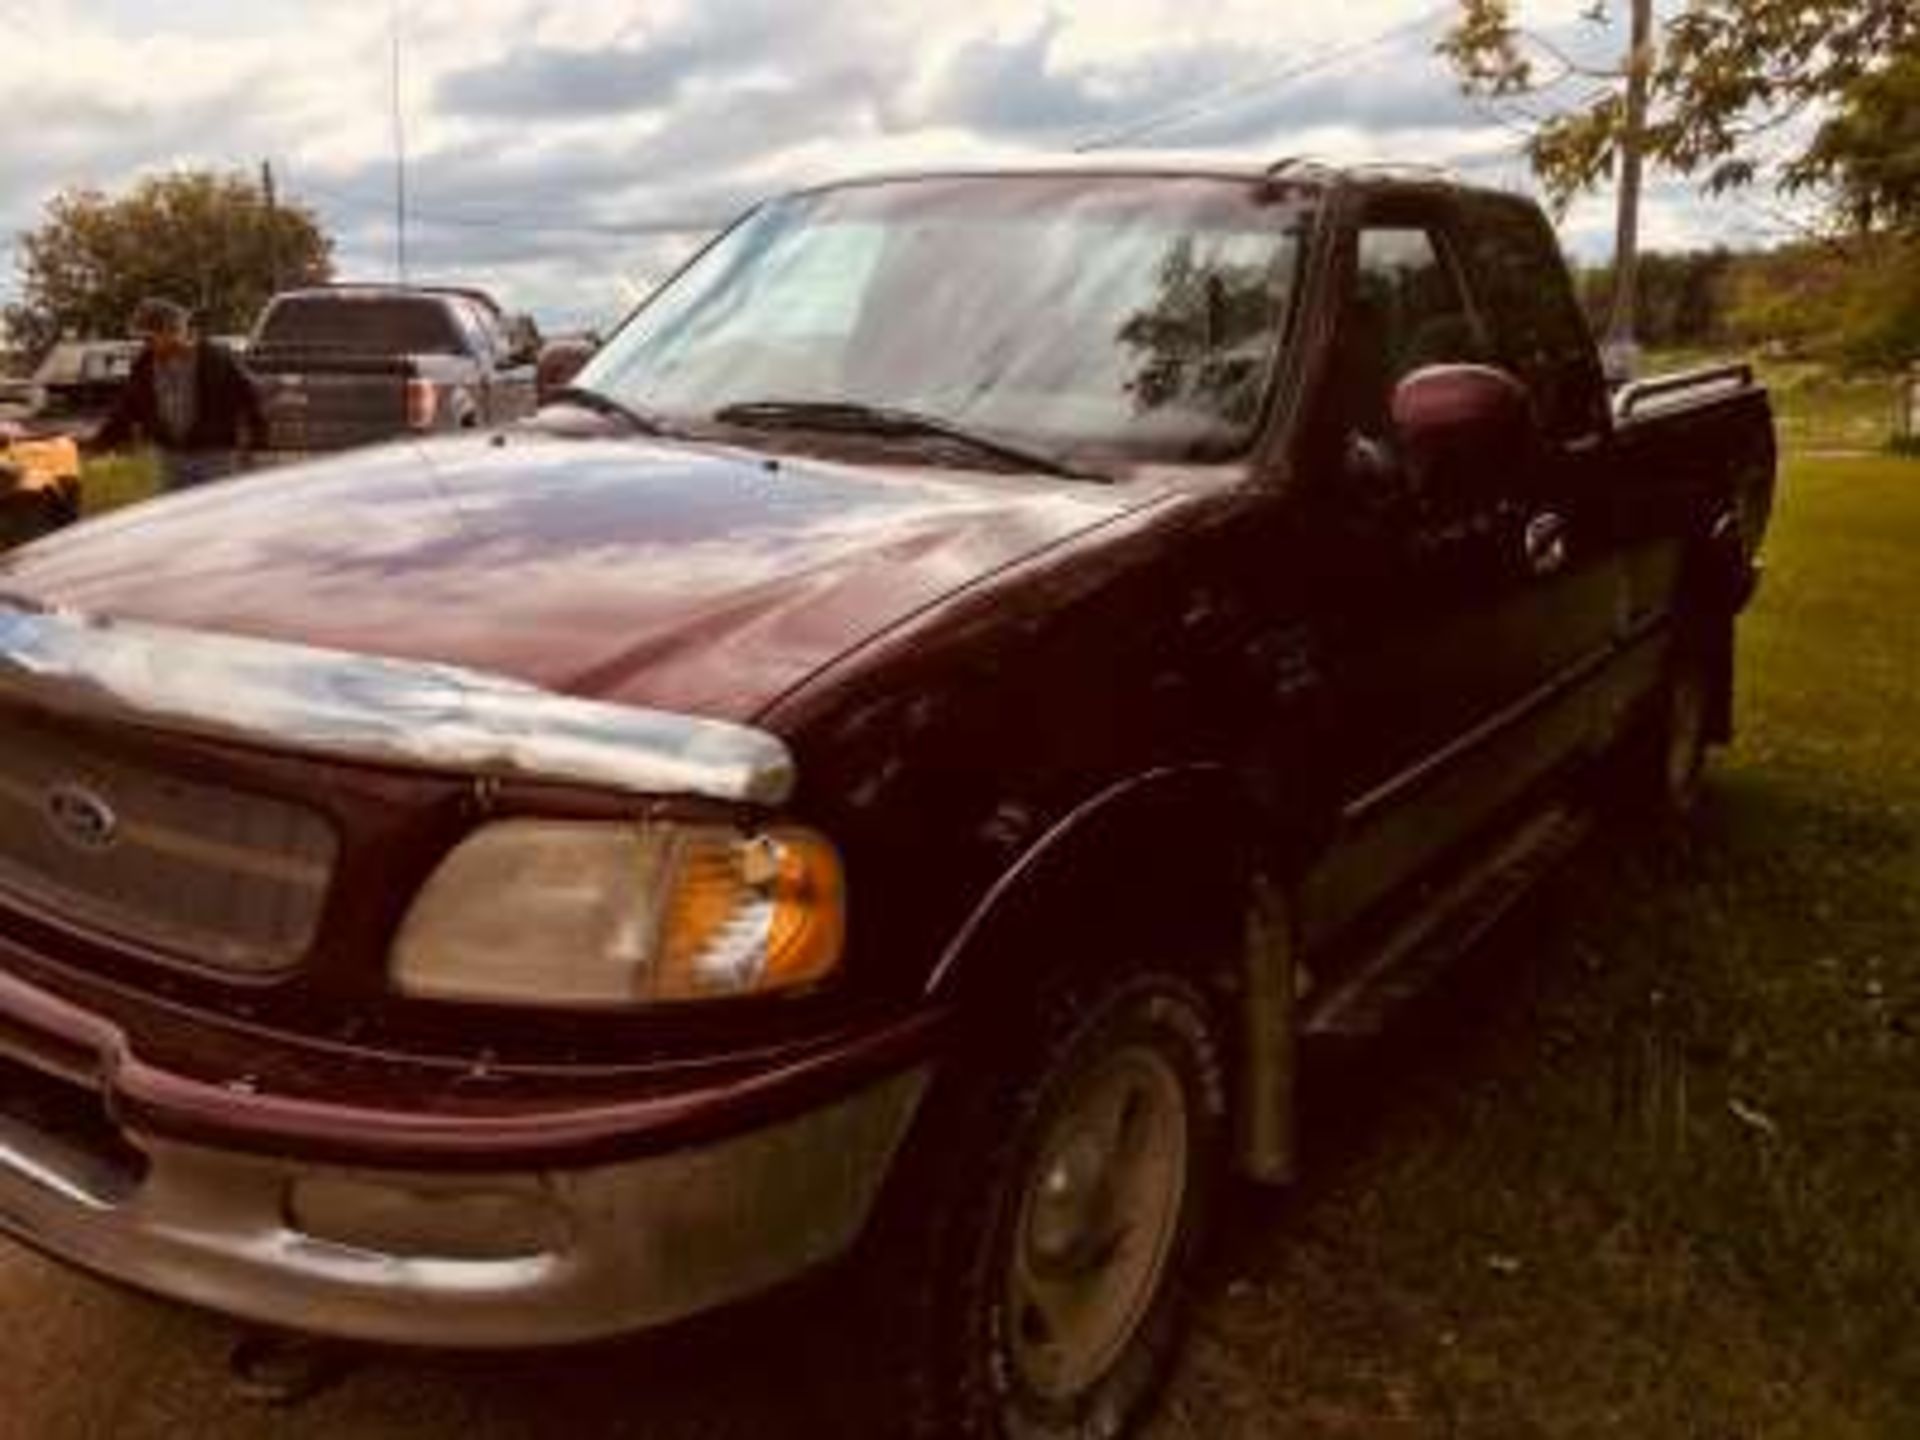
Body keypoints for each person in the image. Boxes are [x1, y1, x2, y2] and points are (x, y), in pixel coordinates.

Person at [92, 298, 265, 492]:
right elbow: (127, 407)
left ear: (171, 331)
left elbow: (250, 398)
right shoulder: (144, 365)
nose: (146, 345)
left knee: (214, 516)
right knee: (175, 518)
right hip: (170, 456)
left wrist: (257, 444)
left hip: (214, 456)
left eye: (150, 338)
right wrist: (101, 443)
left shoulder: (216, 359)